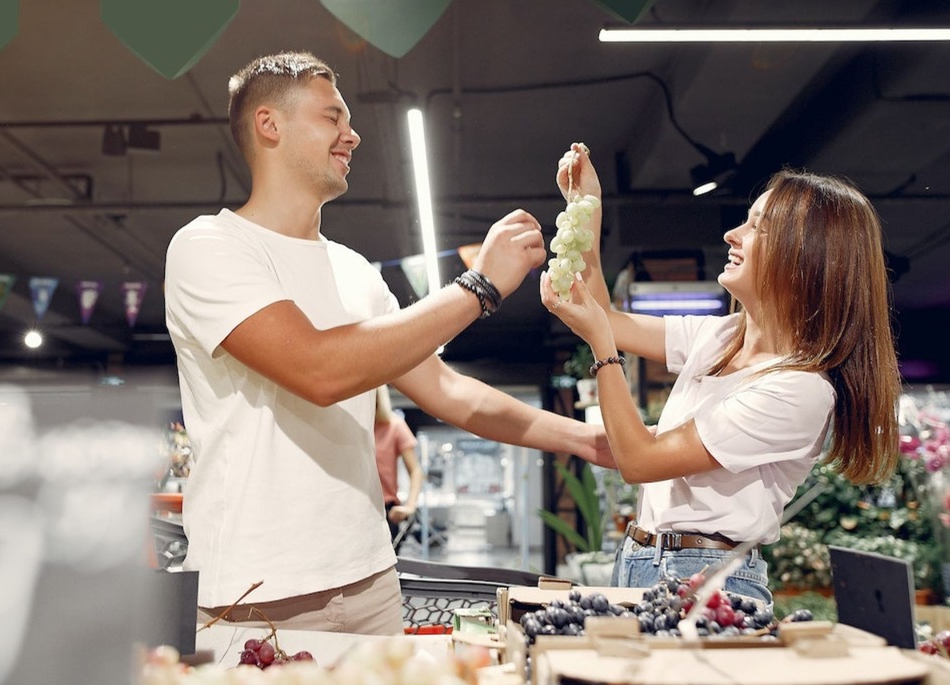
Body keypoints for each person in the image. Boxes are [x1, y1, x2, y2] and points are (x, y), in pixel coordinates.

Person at [163, 52, 613, 635]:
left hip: (372, 579)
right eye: (332, 117)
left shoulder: (355, 270)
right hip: (256, 592)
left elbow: (450, 391)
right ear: (269, 123)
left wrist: (591, 441)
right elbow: (317, 370)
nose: (352, 135)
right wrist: (478, 287)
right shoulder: (209, 246)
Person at [540, 144, 900, 605]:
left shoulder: (801, 390)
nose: (732, 234)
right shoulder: (723, 335)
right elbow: (607, 319)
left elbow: (639, 461)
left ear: (806, 256)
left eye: (757, 227)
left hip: (709, 581)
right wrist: (586, 205)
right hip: (640, 559)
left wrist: (602, 352)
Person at [374, 387, 426, 544]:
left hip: (384, 512)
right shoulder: (352, 428)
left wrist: (410, 506)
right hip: (351, 510)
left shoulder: (394, 426)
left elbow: (416, 470)